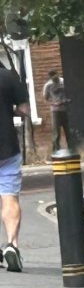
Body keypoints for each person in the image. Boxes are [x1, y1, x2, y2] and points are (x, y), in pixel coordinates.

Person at [0, 64, 27, 272]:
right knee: (9, 198)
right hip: (7, 148)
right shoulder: (8, 76)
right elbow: (24, 110)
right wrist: (10, 111)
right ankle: (11, 244)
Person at [42, 68, 69, 153]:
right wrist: (54, 103)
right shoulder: (48, 85)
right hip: (55, 110)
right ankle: (56, 151)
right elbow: (45, 99)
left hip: (66, 109)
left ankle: (72, 148)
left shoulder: (63, 82)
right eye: (52, 78)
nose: (54, 79)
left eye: (55, 77)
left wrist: (67, 100)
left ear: (58, 74)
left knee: (68, 130)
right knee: (56, 132)